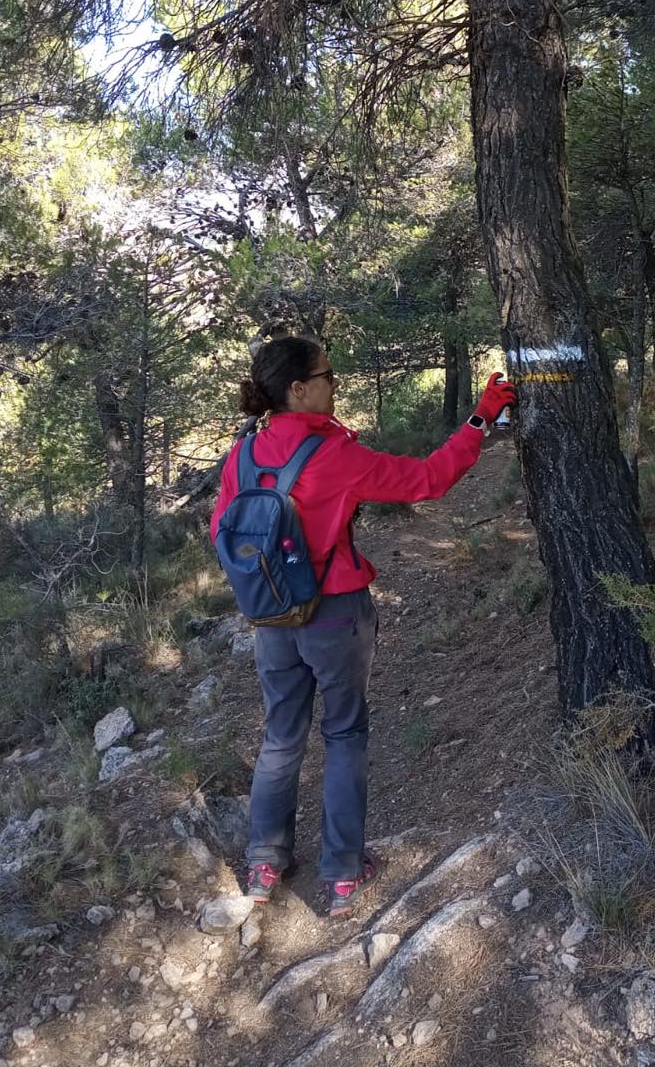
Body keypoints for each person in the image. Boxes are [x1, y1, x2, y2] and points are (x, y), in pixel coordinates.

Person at [210, 335, 516, 917]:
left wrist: (266, 583)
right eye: (328, 375)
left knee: (280, 735)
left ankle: (265, 863)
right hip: (334, 613)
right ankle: (343, 875)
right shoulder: (335, 456)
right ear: (298, 390)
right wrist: (481, 417)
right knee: (345, 734)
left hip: (270, 618)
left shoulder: (243, 455)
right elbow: (428, 479)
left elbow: (220, 532)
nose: (336, 383)